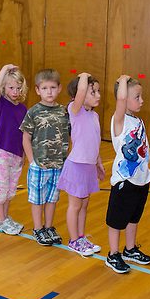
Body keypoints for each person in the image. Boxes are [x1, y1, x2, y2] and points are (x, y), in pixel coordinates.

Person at [105, 75, 150, 274]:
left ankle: (130, 249)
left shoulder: (137, 120)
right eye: (137, 97)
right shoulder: (120, 120)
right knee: (117, 220)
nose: (141, 101)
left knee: (134, 217)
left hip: (141, 179)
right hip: (124, 180)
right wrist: (123, 80)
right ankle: (113, 254)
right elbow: (121, 100)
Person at [20, 69, 70, 246]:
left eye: (53, 87)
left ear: (59, 89)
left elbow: (69, 135)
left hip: (58, 165)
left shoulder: (64, 112)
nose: (49, 91)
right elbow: (26, 137)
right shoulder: (34, 112)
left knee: (52, 198)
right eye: (45, 87)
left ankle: (49, 227)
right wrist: (32, 161)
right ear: (37, 90)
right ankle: (38, 228)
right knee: (38, 198)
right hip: (39, 165)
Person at [58, 72, 105, 257]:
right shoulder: (74, 110)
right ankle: (73, 240)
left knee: (84, 205)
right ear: (79, 94)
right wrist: (84, 76)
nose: (98, 95)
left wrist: (98, 162)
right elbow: (82, 88)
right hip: (76, 165)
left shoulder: (94, 116)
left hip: (88, 166)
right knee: (75, 205)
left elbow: (95, 142)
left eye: (98, 91)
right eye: (93, 92)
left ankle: (81, 236)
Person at [0, 64, 28, 236]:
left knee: (11, 189)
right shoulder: (1, 104)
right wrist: (4, 68)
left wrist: (25, 154)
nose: (15, 91)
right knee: (1, 186)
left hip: (17, 155)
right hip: (2, 154)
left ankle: (5, 217)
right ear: (5, 88)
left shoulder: (23, 109)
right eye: (11, 87)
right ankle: (0, 220)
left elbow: (26, 134)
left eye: (18, 88)